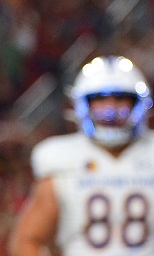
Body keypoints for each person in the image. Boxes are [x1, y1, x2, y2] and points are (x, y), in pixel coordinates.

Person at [10, 55, 154, 255]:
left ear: (138, 103)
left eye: (121, 98)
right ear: (82, 105)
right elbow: (28, 240)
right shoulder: (61, 158)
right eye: (100, 99)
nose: (111, 109)